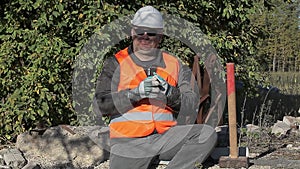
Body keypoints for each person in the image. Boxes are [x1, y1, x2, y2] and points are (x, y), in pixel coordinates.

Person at [94, 6, 217, 169]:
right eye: (140, 32)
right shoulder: (115, 63)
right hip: (129, 143)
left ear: (159, 36)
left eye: (151, 33)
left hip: (165, 137)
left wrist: (169, 92)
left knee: (206, 134)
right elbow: (99, 105)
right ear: (132, 32)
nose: (145, 37)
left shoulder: (174, 63)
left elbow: (192, 103)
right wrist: (134, 94)